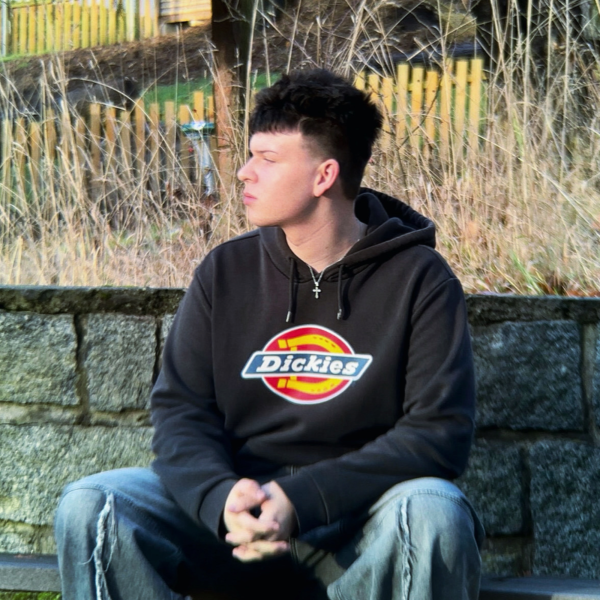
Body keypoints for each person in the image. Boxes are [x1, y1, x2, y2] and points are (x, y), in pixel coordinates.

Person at [54, 68, 484, 600]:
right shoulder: (224, 272)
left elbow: (438, 434)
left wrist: (300, 500)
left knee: (434, 511)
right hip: (235, 519)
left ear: (324, 176)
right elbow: (181, 410)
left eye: (267, 158)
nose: (243, 172)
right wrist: (221, 497)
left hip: (359, 522)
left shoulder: (420, 279)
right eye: (249, 155)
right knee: (92, 505)